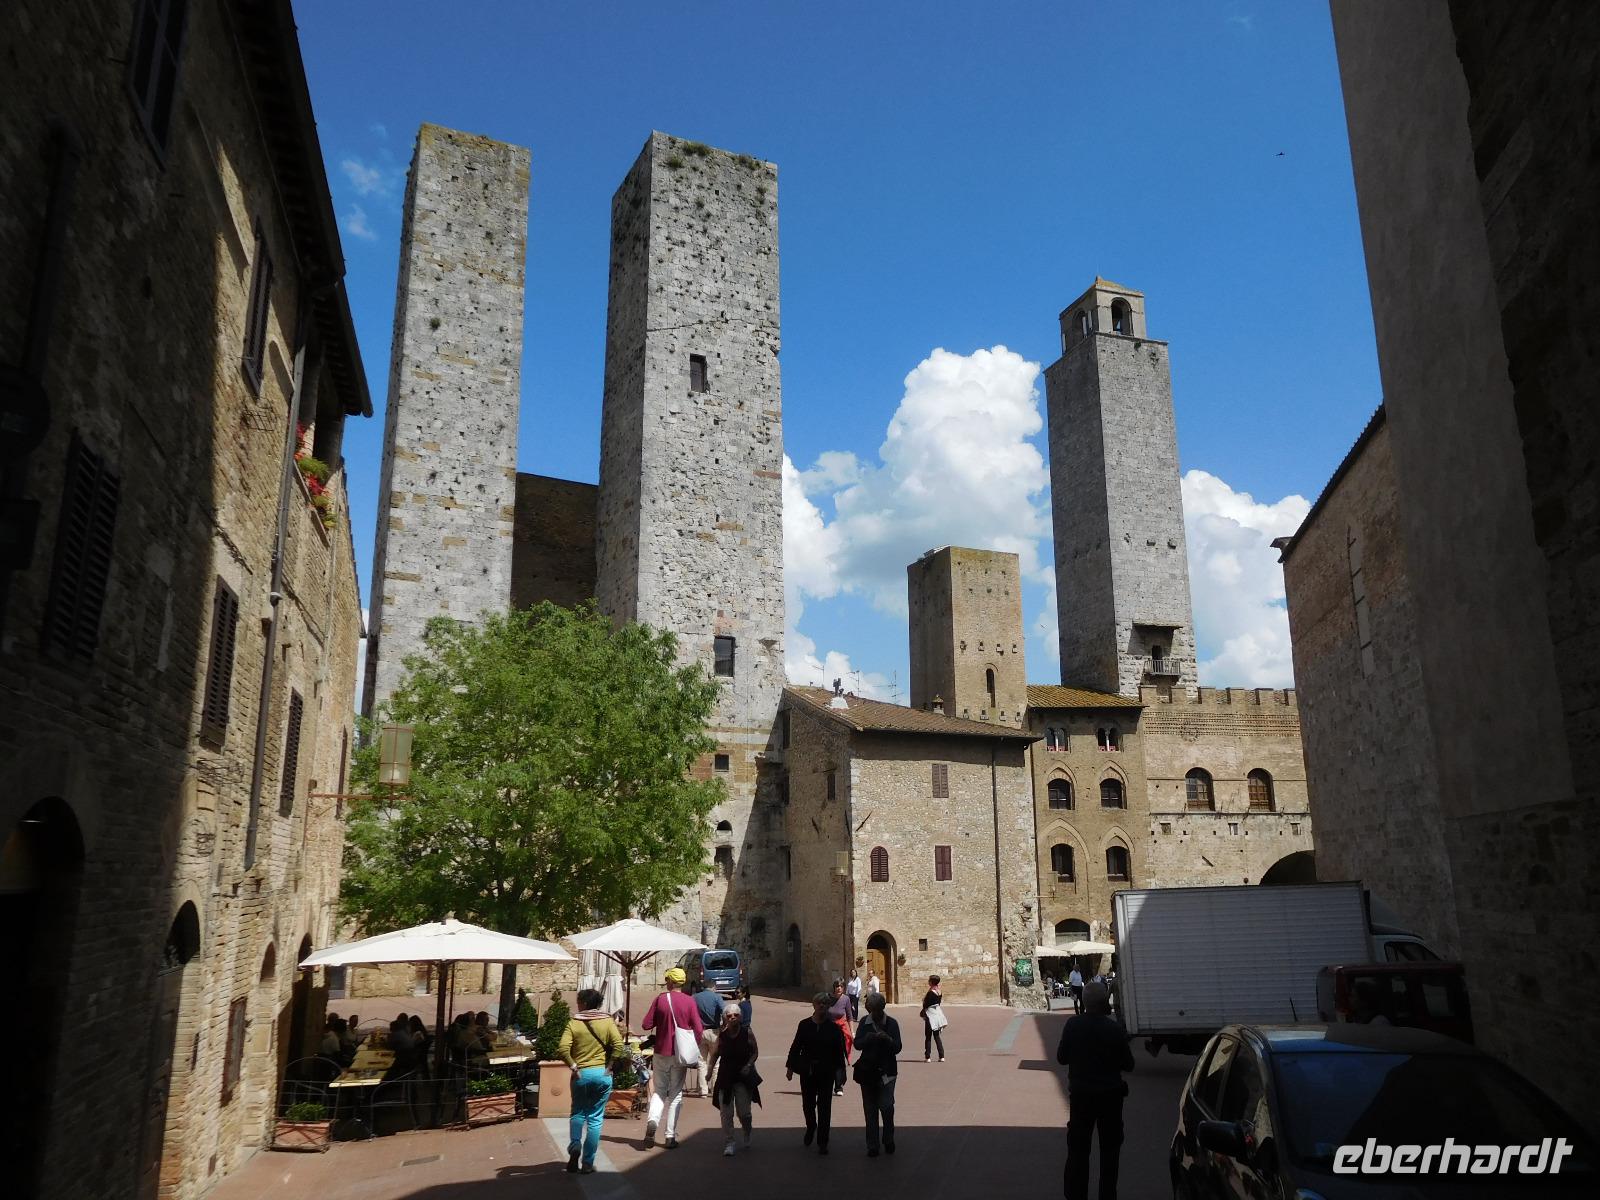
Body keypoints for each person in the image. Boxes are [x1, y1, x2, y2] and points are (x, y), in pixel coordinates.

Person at [1056, 980, 1135, 1200]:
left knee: (1078, 1151)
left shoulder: (1073, 1025)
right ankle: (1107, 1195)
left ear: (1084, 1001)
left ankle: (1075, 1195)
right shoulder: (1114, 1029)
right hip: (1110, 1097)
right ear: (1104, 1003)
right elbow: (1129, 1064)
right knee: (1110, 1153)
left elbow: (1061, 1058)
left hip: (1081, 1097)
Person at [560, 988, 625, 1175]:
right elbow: (618, 1045)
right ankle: (588, 1163)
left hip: (581, 1074)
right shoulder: (607, 1021)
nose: (577, 1005)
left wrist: (573, 1066)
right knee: (595, 1119)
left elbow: (563, 1048)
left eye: (579, 1001)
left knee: (578, 1113)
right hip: (602, 1074)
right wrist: (610, 1066)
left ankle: (574, 1145)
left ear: (585, 1003)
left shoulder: (574, 1023)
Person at [641, 967, 704, 1149]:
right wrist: (694, 1045)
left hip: (661, 1051)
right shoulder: (689, 1001)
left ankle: (653, 1120)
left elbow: (646, 1024)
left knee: (659, 1091)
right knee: (675, 1094)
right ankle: (669, 1136)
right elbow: (698, 1029)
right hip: (680, 1054)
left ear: (669, 981)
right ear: (682, 982)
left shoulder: (660, 999)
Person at [785, 992, 847, 1155]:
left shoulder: (834, 1029)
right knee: (808, 1105)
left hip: (826, 1072)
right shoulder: (804, 1025)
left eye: (825, 1004)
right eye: (819, 1003)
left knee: (825, 1107)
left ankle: (823, 1141)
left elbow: (838, 1053)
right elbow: (796, 1047)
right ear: (814, 1005)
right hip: (808, 1071)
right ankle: (811, 1126)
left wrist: (841, 1073)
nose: (822, 1006)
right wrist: (790, 1067)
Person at [706, 1006, 761, 1156]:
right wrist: (710, 1071)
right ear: (725, 1018)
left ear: (740, 1017)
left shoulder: (747, 1032)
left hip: (743, 1077)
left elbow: (755, 1052)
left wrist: (749, 1065)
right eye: (729, 1016)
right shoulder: (722, 1036)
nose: (732, 1018)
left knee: (744, 1113)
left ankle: (747, 1130)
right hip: (726, 1078)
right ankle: (729, 1142)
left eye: (736, 1015)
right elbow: (715, 1054)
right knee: (726, 1113)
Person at [853, 991, 902, 1158]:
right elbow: (857, 1044)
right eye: (872, 1011)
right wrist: (868, 1038)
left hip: (887, 1072)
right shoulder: (864, 1023)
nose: (875, 1014)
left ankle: (888, 1139)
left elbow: (897, 1047)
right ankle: (872, 1145)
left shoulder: (892, 1023)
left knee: (887, 1107)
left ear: (882, 1008)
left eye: (877, 1010)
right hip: (867, 1072)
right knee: (870, 1110)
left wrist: (887, 1039)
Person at [693, 982, 726, 1090]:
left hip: (700, 1031)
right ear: (713, 987)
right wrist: (724, 1025)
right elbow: (725, 1011)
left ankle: (703, 1090)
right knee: (715, 1062)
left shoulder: (695, 997)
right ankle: (715, 1088)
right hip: (714, 1031)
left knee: (701, 1061)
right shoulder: (717, 997)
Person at [827, 981, 854, 1093]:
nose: (839, 988)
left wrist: (852, 1031)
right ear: (834, 987)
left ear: (843, 988)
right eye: (837, 986)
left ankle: (839, 1085)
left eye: (841, 986)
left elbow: (849, 1016)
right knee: (827, 1058)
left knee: (839, 1058)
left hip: (841, 1032)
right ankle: (826, 1084)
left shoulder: (846, 999)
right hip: (828, 1030)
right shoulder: (828, 998)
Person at [919, 975, 946, 1063]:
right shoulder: (939, 991)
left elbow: (926, 1004)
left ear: (931, 982)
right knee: (937, 1036)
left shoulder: (931, 992)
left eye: (929, 980)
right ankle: (941, 1056)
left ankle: (928, 1057)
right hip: (937, 1014)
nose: (928, 981)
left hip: (930, 1015)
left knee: (928, 1036)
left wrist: (924, 1004)